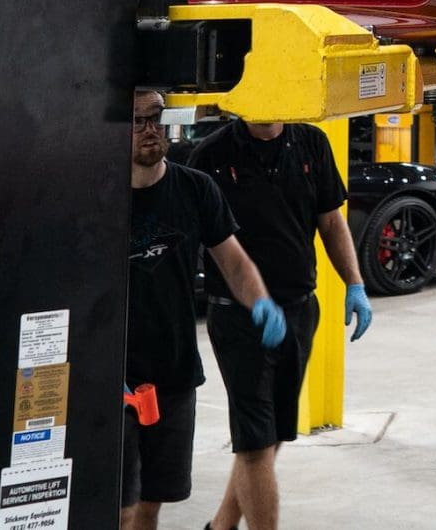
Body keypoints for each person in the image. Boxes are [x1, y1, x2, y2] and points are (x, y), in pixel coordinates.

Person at [191, 115, 376, 530]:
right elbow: (200, 239)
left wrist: (355, 283)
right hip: (239, 317)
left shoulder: (311, 143)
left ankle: (221, 526)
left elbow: (330, 220)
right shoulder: (212, 155)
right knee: (255, 441)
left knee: (271, 434)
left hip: (298, 309)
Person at [125, 89, 284, 530]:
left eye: (156, 117)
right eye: (137, 121)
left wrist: (261, 303)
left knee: (151, 501)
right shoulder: (99, 196)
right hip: (113, 376)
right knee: (120, 505)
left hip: (173, 373)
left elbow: (232, 260)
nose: (150, 130)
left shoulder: (195, 188)